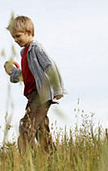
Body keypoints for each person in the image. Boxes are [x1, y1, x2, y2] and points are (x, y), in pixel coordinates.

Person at [4, 16, 66, 152]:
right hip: (32, 96)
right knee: (40, 129)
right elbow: (25, 75)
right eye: (13, 37)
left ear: (29, 32)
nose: (15, 40)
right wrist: (12, 72)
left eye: (18, 36)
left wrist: (57, 89)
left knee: (26, 126)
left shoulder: (36, 48)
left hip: (41, 95)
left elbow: (50, 66)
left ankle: (27, 160)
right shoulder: (24, 53)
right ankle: (50, 156)